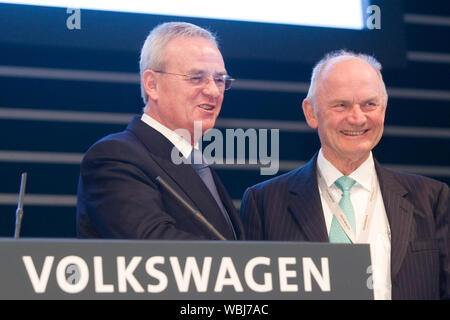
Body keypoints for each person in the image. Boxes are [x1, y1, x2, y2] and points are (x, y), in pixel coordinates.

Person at [239, 50, 449, 300]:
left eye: (369, 104)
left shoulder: (432, 199)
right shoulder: (264, 203)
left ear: (383, 109)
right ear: (311, 113)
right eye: (341, 105)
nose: (357, 118)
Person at [76, 22, 244, 240]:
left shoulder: (196, 163)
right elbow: (153, 247)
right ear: (152, 84)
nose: (213, 90)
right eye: (196, 78)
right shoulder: (114, 157)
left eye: (220, 80)